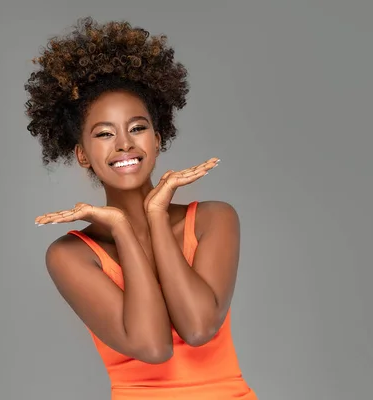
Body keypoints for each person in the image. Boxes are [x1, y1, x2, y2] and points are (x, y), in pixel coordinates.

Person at [25, 17, 257, 400]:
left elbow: (198, 328)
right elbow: (153, 347)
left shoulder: (214, 218)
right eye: (104, 133)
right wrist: (120, 227)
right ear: (82, 154)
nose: (123, 144)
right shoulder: (70, 255)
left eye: (137, 128)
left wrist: (155, 215)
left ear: (158, 137)